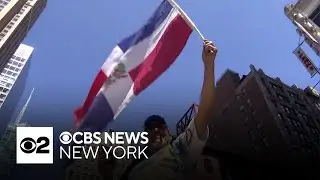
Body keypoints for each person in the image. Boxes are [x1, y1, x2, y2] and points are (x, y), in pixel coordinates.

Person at [97, 39, 217, 180]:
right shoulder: (133, 168)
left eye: (160, 126)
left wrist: (209, 64)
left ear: (168, 131)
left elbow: (205, 112)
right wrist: (107, 173)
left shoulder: (178, 149)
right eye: (150, 128)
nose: (155, 131)